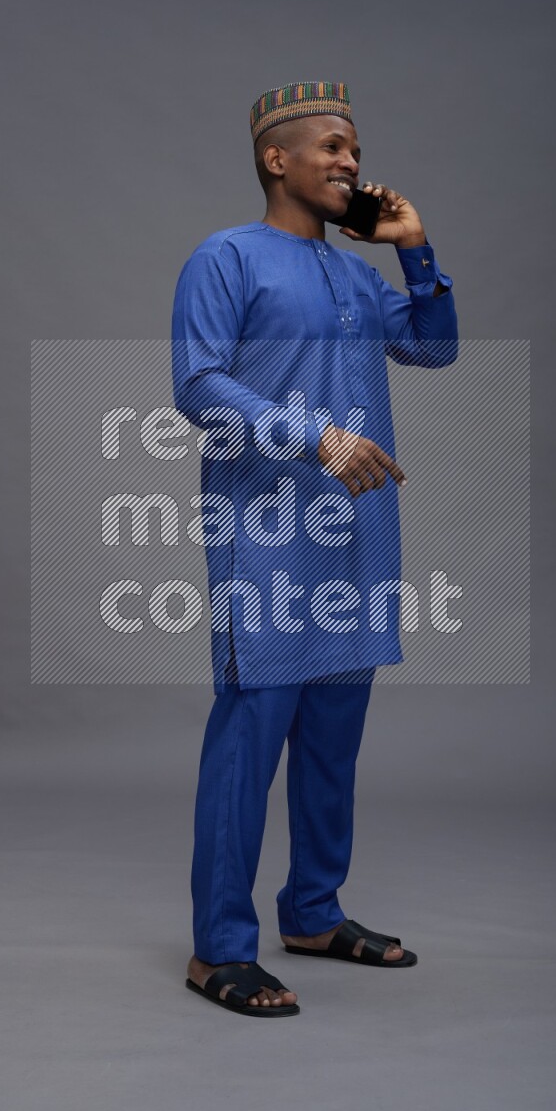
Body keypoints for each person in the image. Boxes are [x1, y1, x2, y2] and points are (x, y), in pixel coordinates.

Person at [171, 80, 458, 1017]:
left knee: (333, 747)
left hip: (357, 544)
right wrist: (315, 436)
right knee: (249, 745)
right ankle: (219, 949)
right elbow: (200, 385)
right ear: (275, 158)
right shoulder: (225, 258)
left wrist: (414, 252)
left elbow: (434, 348)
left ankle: (314, 911)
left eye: (357, 150)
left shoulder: (353, 278)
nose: (351, 163)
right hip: (267, 539)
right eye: (333, 146)